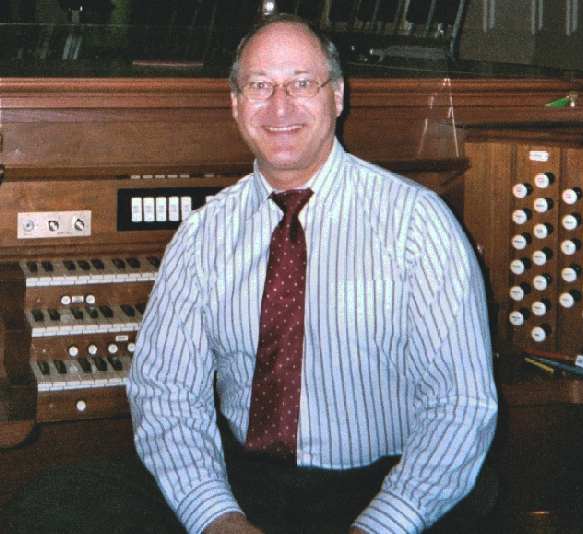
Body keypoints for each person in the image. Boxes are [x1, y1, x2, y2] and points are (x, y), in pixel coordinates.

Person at [9, 13, 498, 534]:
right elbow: (165, 393)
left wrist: (380, 525)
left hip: (377, 481)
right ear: (237, 105)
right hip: (246, 478)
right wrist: (217, 517)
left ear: (337, 96)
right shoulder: (205, 233)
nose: (280, 105)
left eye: (301, 83)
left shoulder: (416, 222)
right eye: (260, 85)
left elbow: (460, 402)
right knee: (48, 504)